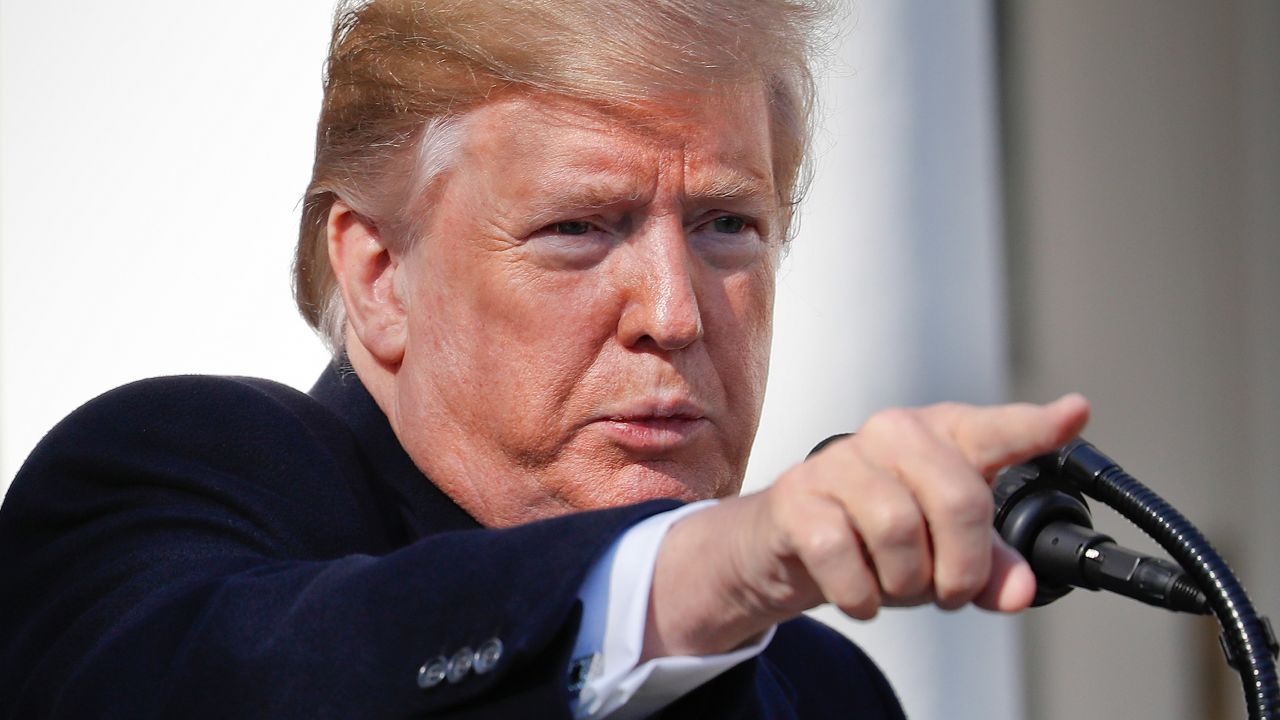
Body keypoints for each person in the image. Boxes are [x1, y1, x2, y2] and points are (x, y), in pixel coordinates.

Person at [0, 0, 1089, 717]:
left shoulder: (823, 690)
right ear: (378, 274)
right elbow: (244, 678)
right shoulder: (176, 475)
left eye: (726, 225)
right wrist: (708, 569)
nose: (672, 311)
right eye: (577, 228)